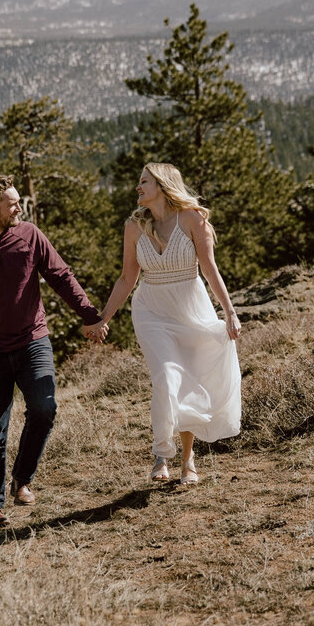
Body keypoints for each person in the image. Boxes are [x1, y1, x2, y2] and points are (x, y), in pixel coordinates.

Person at [0, 174, 106, 530]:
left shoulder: (30, 235)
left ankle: (23, 479)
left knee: (44, 409)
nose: (20, 207)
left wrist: (91, 316)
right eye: (12, 203)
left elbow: (61, 276)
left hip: (33, 341)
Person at [93, 163, 241, 485]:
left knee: (187, 383)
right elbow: (127, 277)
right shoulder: (134, 226)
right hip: (151, 310)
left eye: (144, 181)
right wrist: (103, 317)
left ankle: (188, 461)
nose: (137, 187)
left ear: (161, 185)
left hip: (190, 309)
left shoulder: (192, 219)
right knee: (166, 376)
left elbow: (210, 269)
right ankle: (162, 453)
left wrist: (228, 312)